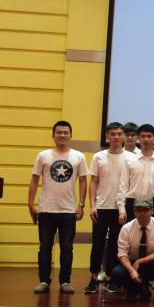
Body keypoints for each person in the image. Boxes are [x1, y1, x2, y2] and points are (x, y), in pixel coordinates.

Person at [27, 120, 88, 294]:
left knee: (67, 248)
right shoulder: (43, 155)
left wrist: (81, 205)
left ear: (70, 135)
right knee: (45, 247)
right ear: (53, 135)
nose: (62, 135)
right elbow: (34, 180)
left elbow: (83, 181)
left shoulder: (79, 156)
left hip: (68, 211)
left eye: (65, 132)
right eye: (59, 132)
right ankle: (44, 281)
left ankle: (65, 281)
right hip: (46, 209)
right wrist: (30, 203)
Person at [86, 121, 129, 293]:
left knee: (115, 245)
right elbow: (93, 182)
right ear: (107, 136)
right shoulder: (99, 156)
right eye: (113, 134)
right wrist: (92, 206)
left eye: (119, 134)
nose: (116, 137)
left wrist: (123, 208)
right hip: (101, 206)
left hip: (121, 208)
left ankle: (112, 278)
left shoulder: (131, 157)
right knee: (97, 243)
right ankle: (93, 278)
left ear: (123, 136)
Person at [109, 194, 154, 300]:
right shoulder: (126, 228)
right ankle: (135, 290)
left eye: (145, 210)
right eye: (138, 210)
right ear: (134, 211)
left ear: (152, 211)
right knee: (116, 272)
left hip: (152, 263)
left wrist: (140, 261)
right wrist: (131, 270)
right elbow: (122, 254)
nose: (142, 213)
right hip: (133, 264)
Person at [125, 124, 154, 221]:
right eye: (143, 136)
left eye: (149, 136)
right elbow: (123, 185)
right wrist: (121, 208)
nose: (146, 139)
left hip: (153, 203)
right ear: (138, 138)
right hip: (132, 202)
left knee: (152, 230)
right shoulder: (129, 160)